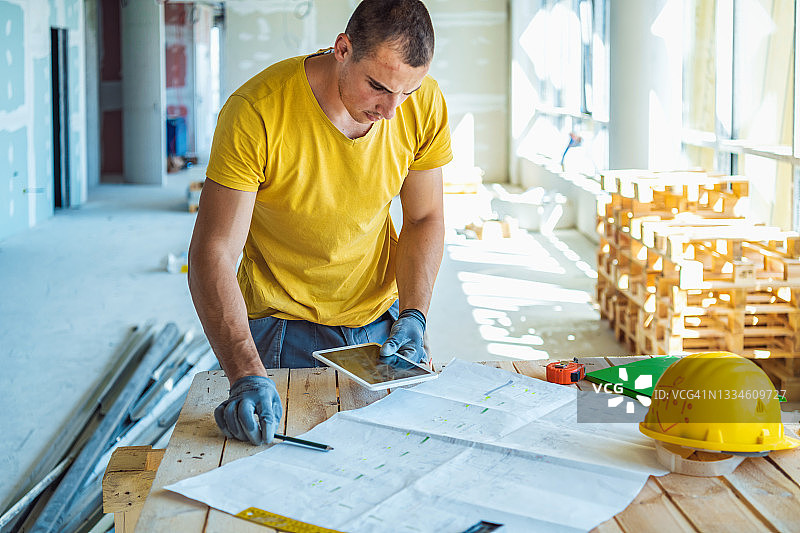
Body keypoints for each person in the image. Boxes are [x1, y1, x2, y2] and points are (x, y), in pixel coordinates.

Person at [187, 0, 452, 447]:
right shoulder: (257, 111)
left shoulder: (422, 105)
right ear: (343, 49)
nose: (391, 111)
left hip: (381, 327)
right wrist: (246, 373)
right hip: (280, 328)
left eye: (406, 92)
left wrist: (415, 314)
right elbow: (212, 253)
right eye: (379, 87)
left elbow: (425, 217)